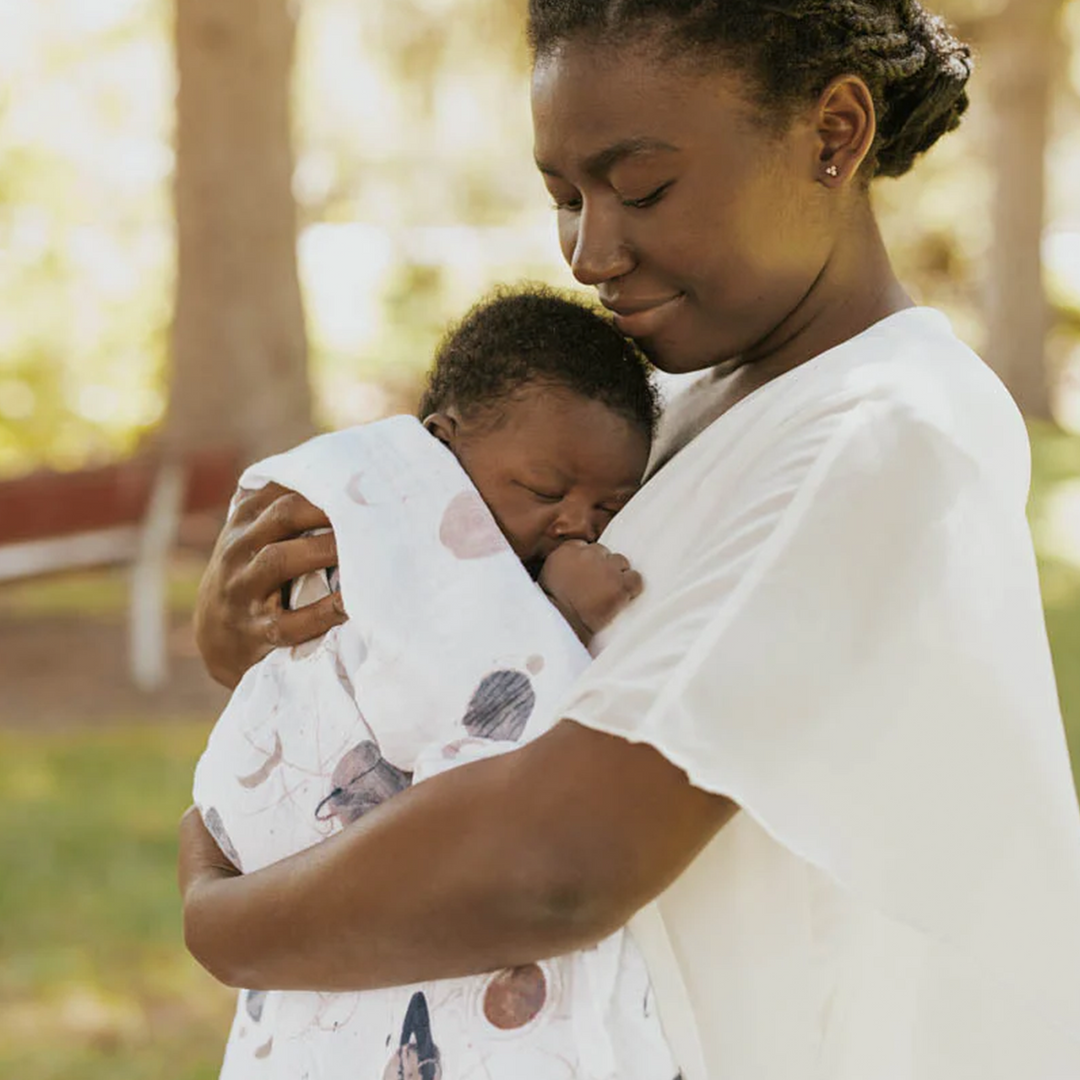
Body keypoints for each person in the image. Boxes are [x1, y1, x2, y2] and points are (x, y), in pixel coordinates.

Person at [180, 2, 1080, 1077]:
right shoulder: (670, 412)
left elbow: (558, 861)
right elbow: (471, 669)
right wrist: (274, 633)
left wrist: (218, 923)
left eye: (643, 188)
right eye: (563, 195)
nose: (588, 251)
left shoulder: (885, 430)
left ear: (834, 135)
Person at [191, 285, 680, 1080]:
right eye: (545, 491)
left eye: (606, 507)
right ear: (438, 454)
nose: (575, 523)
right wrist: (560, 618)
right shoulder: (382, 537)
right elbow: (470, 687)